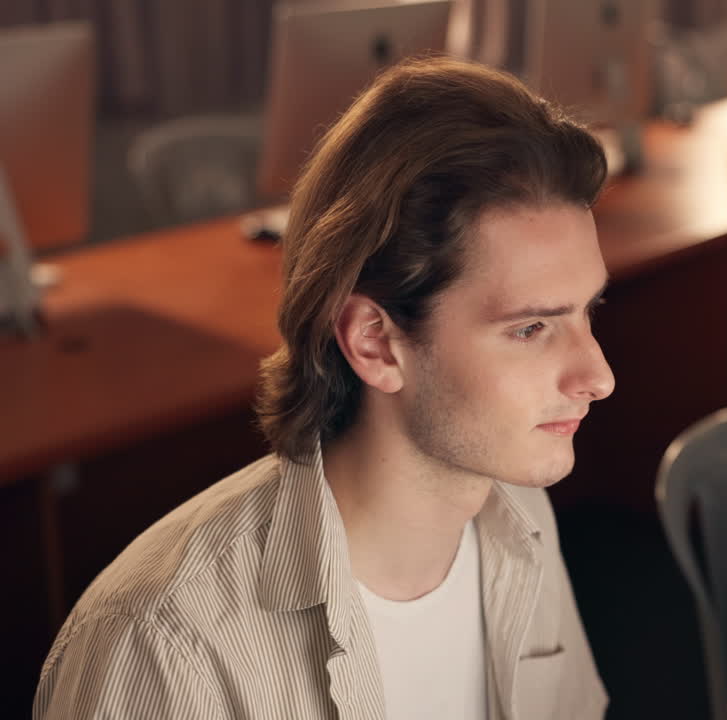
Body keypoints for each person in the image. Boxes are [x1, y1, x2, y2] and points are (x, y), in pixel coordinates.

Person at [34, 56, 614, 720]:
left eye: (587, 312)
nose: (598, 377)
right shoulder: (163, 648)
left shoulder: (519, 515)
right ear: (374, 342)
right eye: (532, 327)